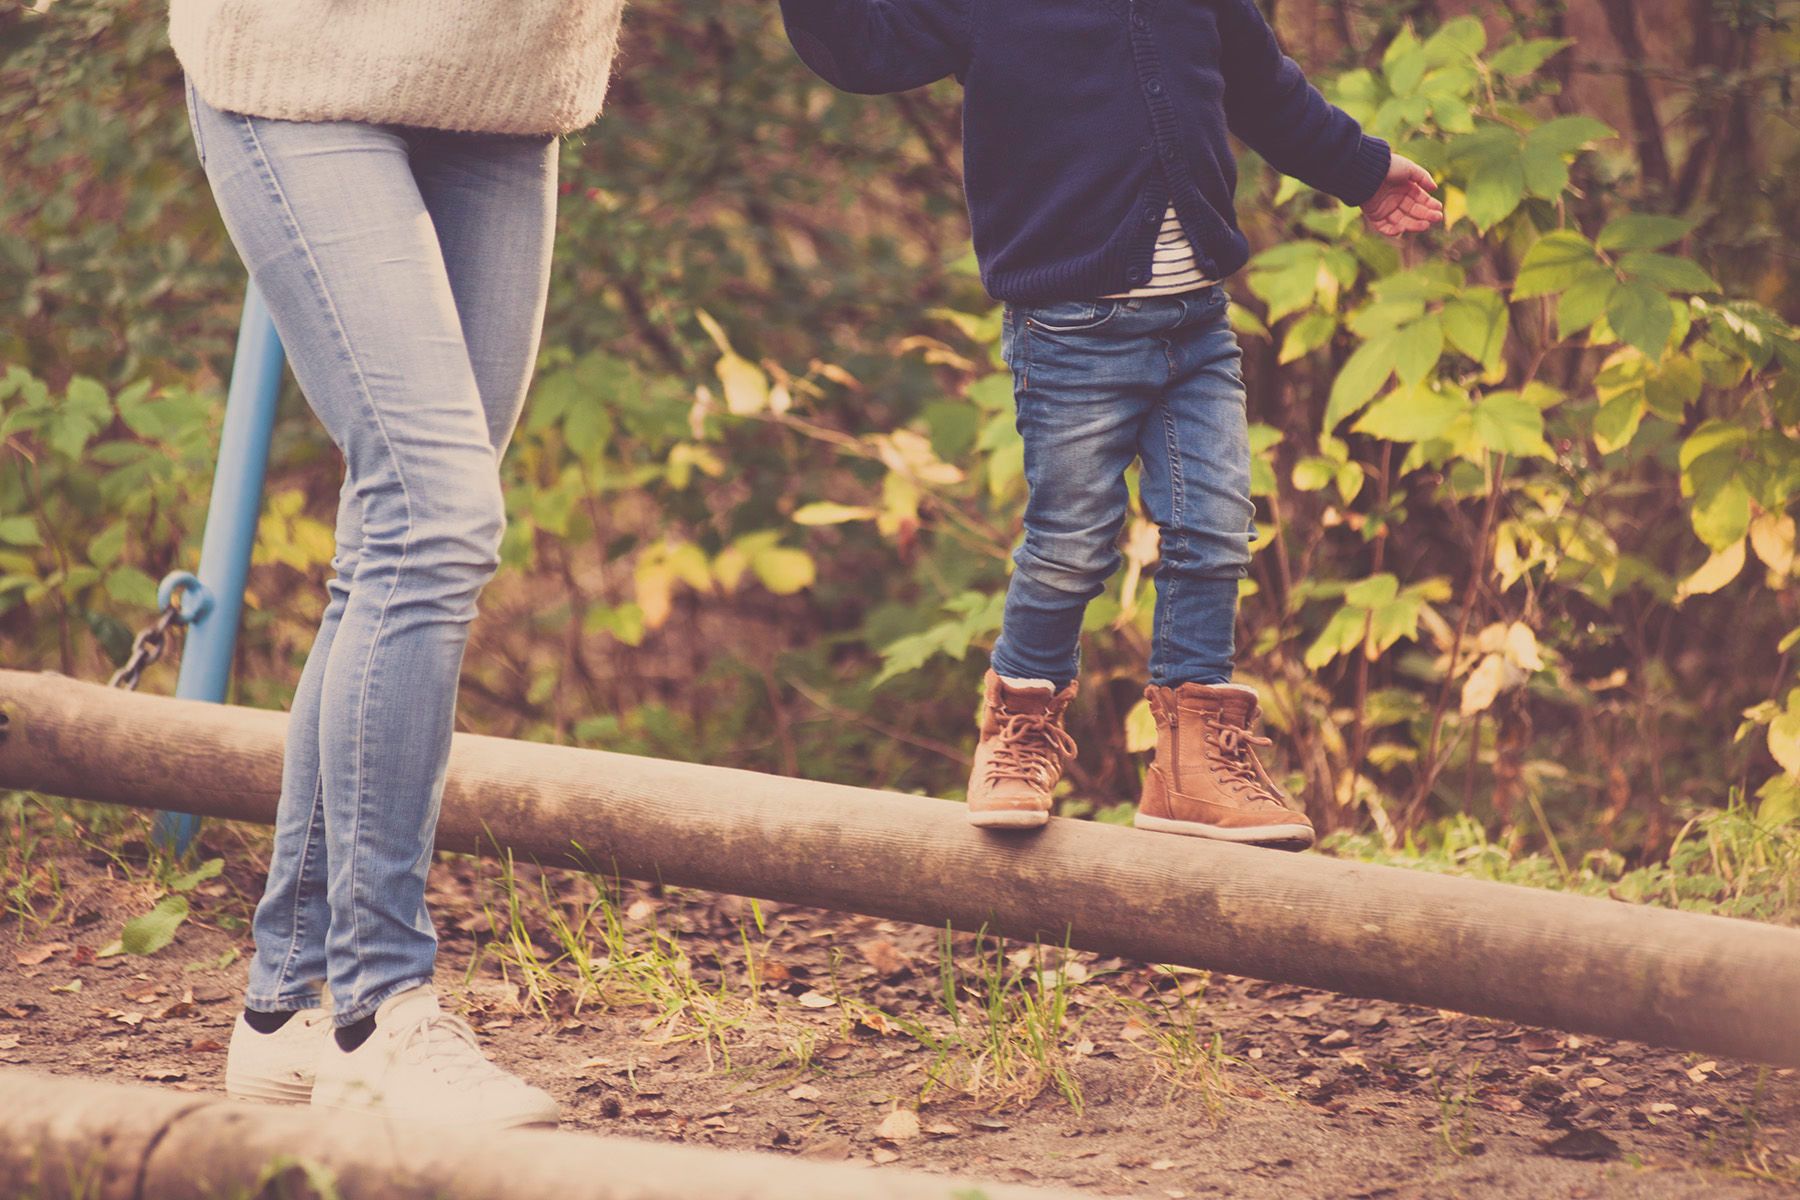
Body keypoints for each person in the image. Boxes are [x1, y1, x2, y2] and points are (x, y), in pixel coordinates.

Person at [778, 0, 1442, 847]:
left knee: (1215, 530)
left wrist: (1366, 169)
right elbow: (863, 50)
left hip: (1196, 325)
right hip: (1068, 335)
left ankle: (1193, 761)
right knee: (1072, 543)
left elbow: (1267, 91)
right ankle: (1018, 730)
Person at [170, 0, 626, 1127]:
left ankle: (289, 1011)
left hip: (508, 82)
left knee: (401, 534)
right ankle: (382, 1010)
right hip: (304, 58)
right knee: (435, 516)